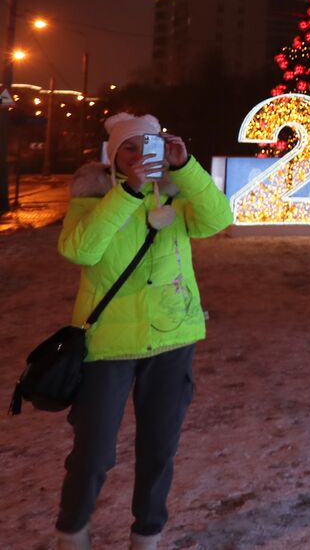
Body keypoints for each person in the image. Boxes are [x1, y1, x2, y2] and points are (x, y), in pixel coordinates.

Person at [54, 112, 233, 550]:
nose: (138, 156)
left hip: (172, 339)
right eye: (128, 148)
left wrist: (186, 166)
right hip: (108, 345)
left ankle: (147, 533)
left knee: (158, 450)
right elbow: (80, 251)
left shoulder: (175, 198)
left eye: (147, 147)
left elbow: (218, 220)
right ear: (113, 156)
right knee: (94, 454)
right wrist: (128, 193)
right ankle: (72, 531)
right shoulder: (93, 197)